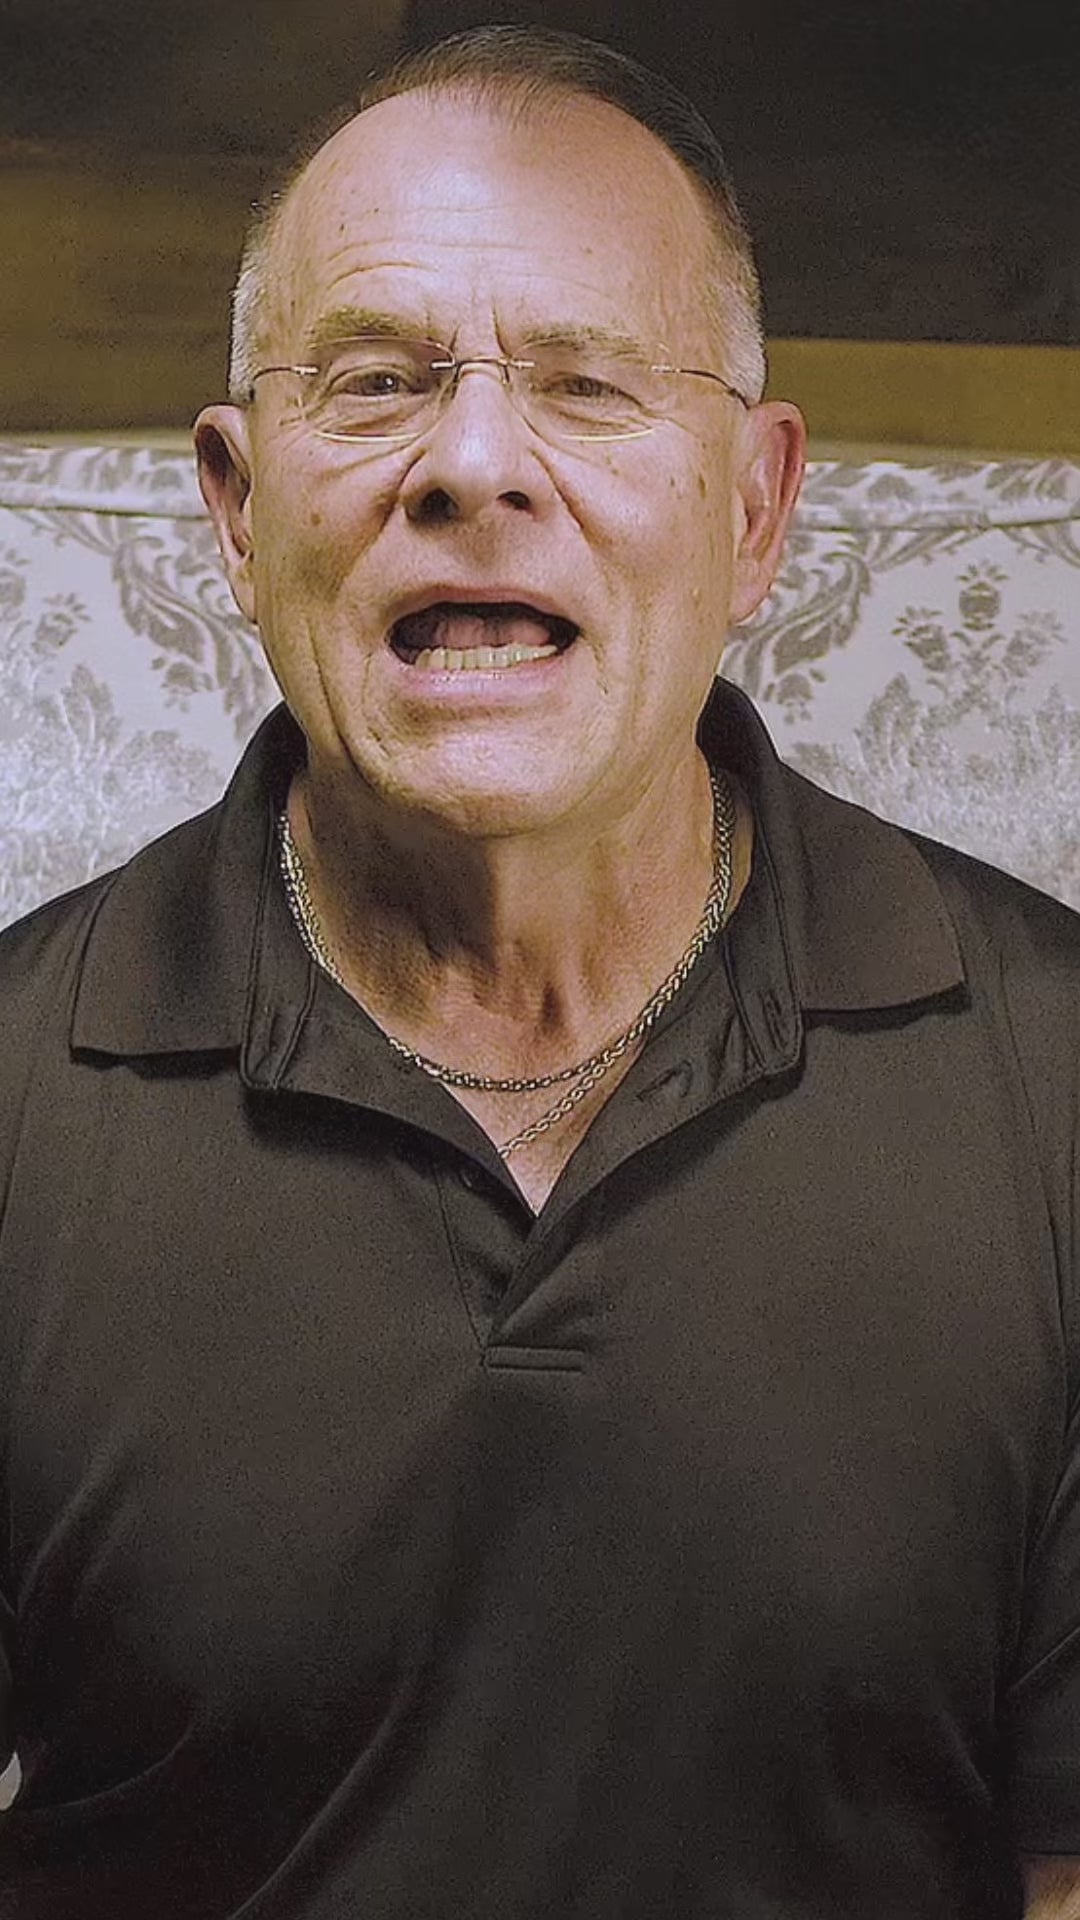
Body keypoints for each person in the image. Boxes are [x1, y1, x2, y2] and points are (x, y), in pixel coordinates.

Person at [0, 23, 1078, 1919]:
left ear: (755, 510)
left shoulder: (1057, 1083)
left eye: (587, 384)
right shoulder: (16, 1098)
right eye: (376, 382)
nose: (477, 463)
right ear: (236, 511)